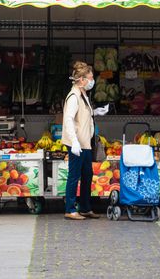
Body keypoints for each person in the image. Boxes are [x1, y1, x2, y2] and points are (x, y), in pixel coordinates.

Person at [61, 61, 109, 220]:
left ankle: (85, 207)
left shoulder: (83, 95)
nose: (91, 81)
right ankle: (70, 209)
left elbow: (82, 115)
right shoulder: (74, 96)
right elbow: (68, 119)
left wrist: (95, 112)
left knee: (87, 175)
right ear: (81, 80)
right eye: (90, 78)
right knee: (74, 176)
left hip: (85, 143)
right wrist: (73, 142)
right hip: (77, 144)